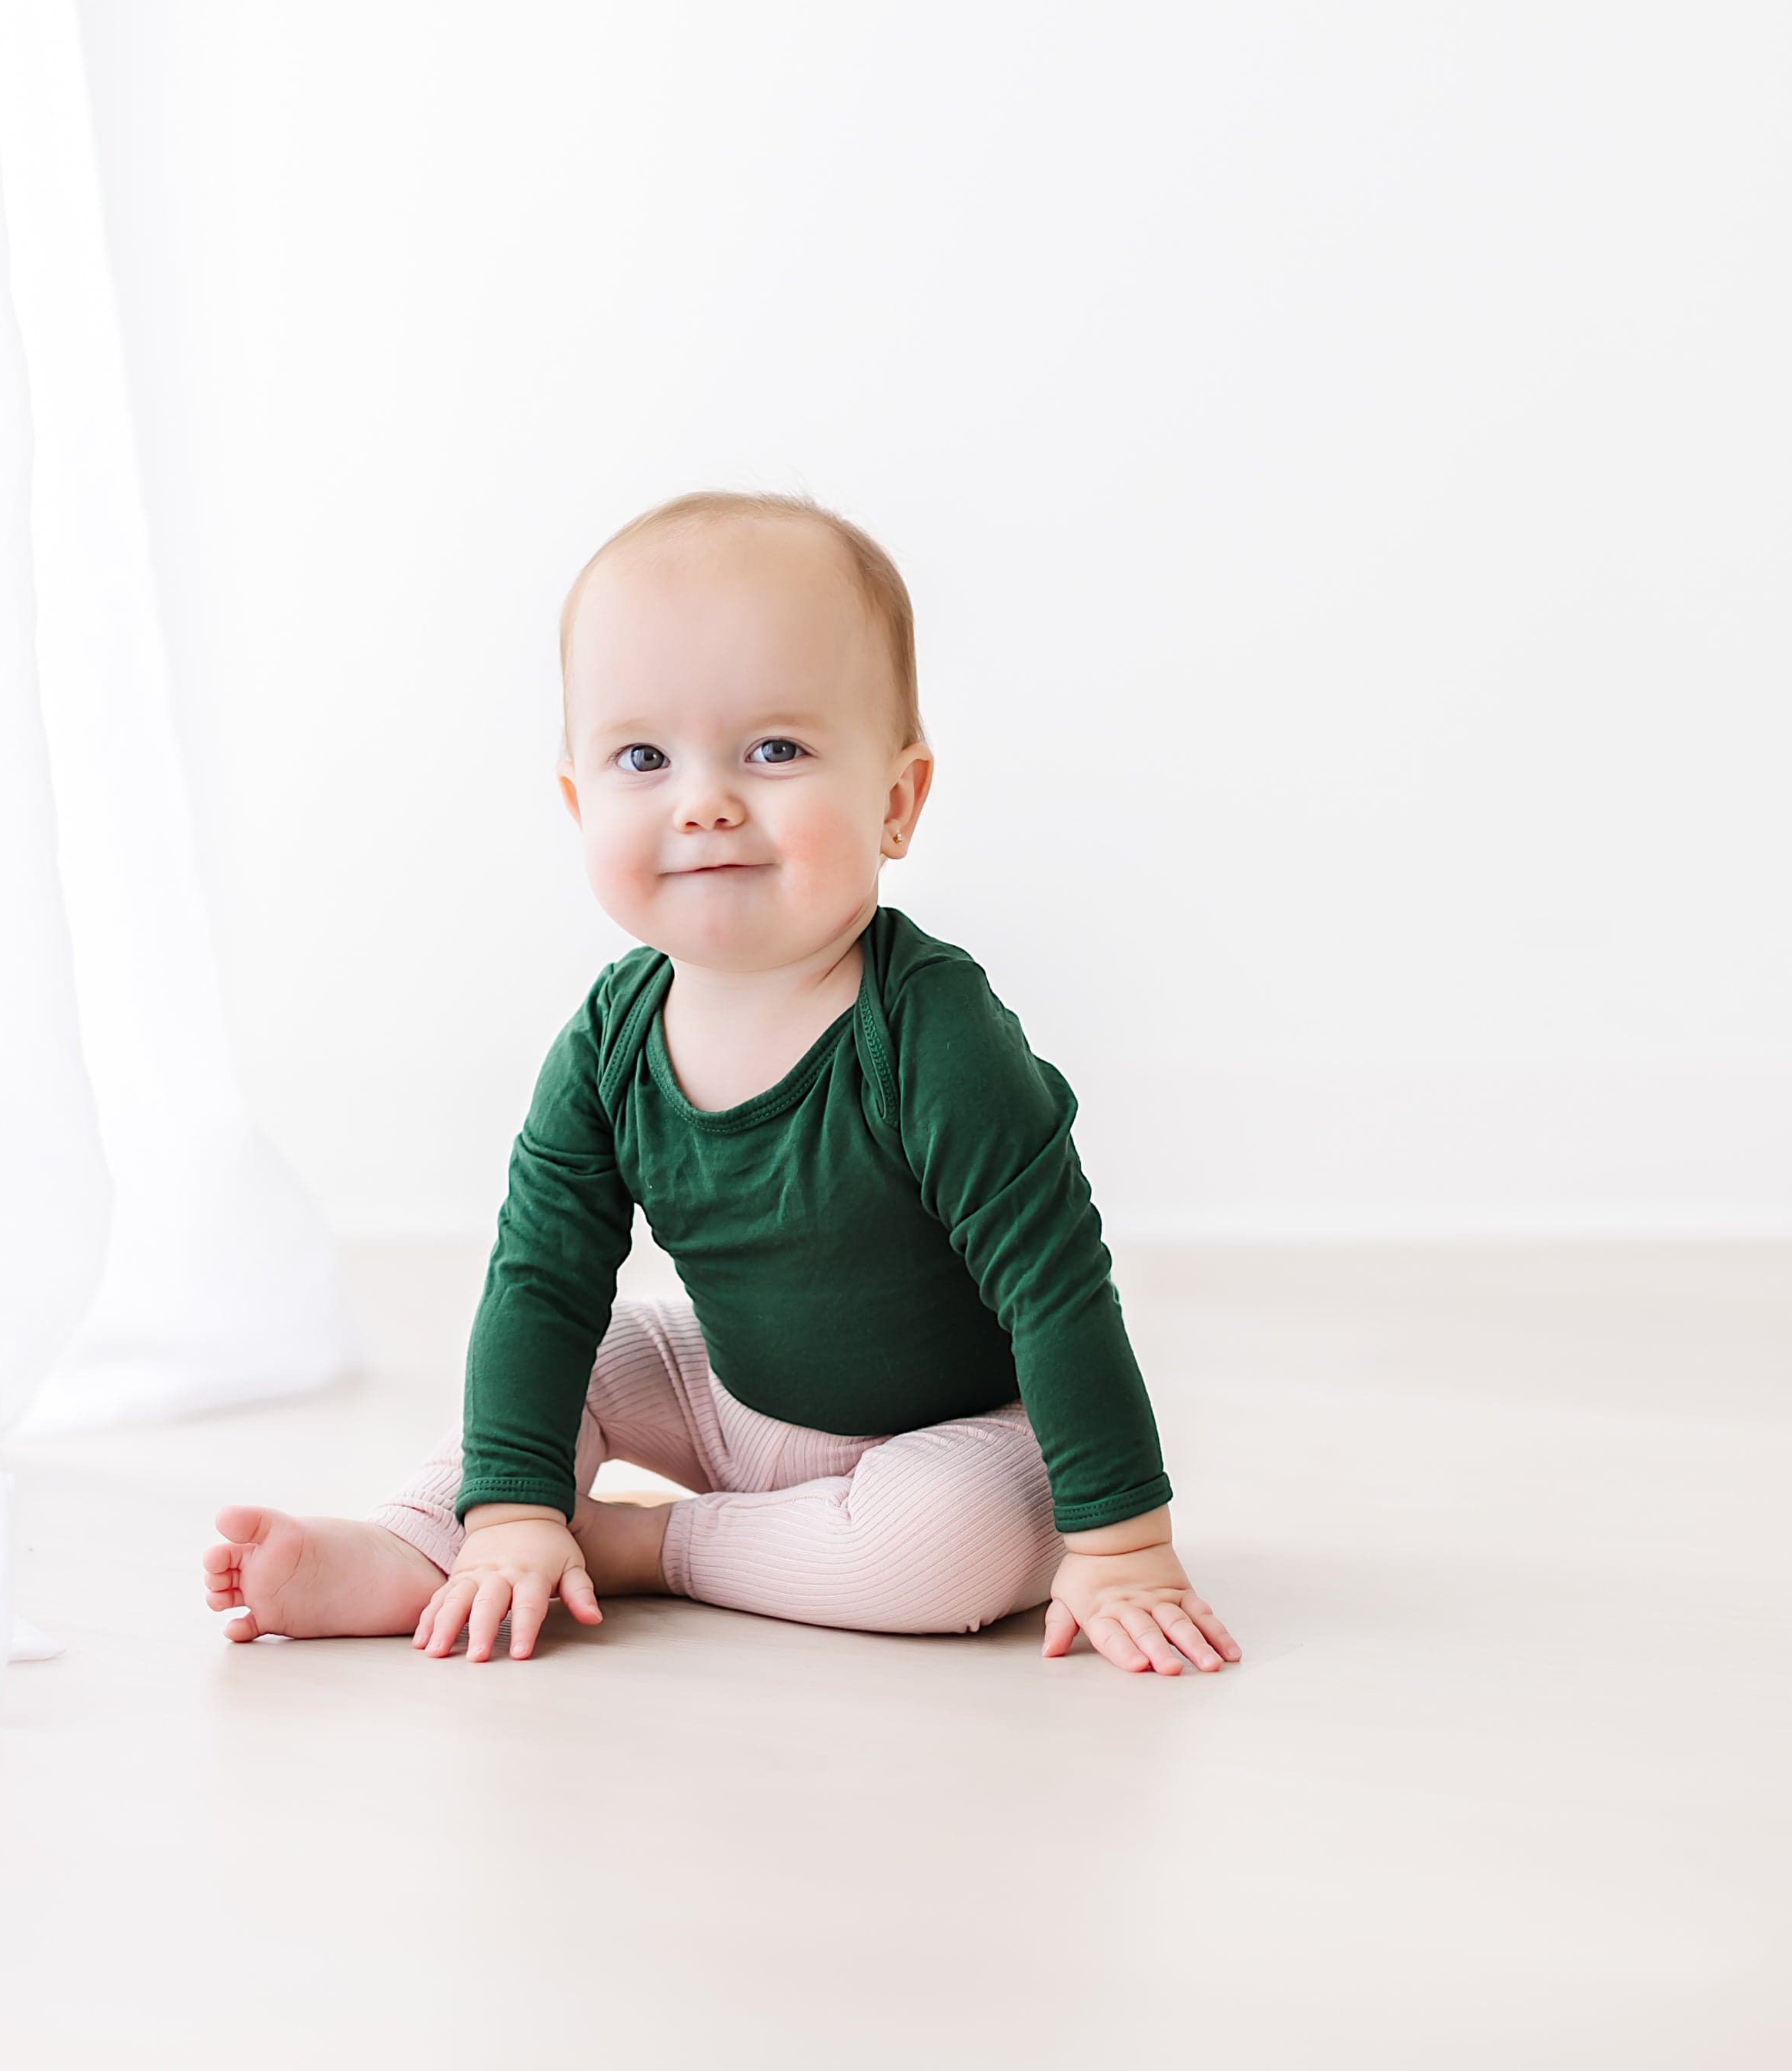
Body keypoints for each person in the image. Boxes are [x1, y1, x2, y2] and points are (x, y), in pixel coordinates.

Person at [202, 490, 1243, 1678]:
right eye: (643, 757)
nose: (706, 801)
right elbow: (540, 1280)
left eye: (776, 750)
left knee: (955, 1545)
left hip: (954, 1434)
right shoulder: (610, 1038)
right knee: (569, 1367)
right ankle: (434, 1543)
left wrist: (1122, 1545)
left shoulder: (931, 1030)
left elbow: (1056, 1284)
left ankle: (647, 1548)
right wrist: (510, 1503)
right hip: (726, 1397)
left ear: (896, 802)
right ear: (578, 801)